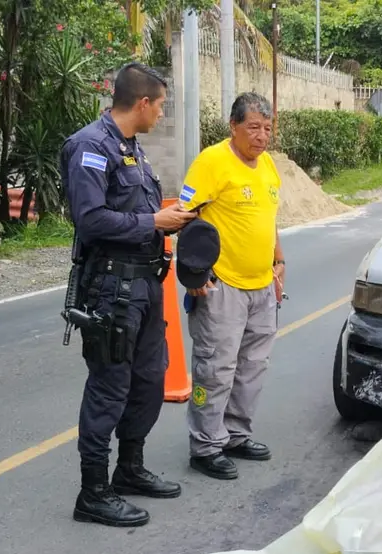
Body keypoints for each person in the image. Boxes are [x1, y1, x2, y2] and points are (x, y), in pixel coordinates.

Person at [60, 62, 197, 527]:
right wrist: (153, 222)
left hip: (144, 283)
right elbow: (91, 220)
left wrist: (169, 219)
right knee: (109, 386)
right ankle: (93, 492)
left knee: (150, 379)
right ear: (142, 103)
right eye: (159, 105)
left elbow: (134, 210)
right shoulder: (90, 147)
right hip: (111, 288)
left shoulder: (131, 148)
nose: (161, 113)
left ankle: (129, 468)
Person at [177, 92, 285, 480]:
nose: (261, 136)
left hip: (262, 286)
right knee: (215, 368)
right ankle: (206, 445)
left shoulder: (268, 165)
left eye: (267, 128)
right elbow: (184, 216)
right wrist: (194, 274)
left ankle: (236, 435)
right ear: (233, 126)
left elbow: (269, 219)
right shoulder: (212, 162)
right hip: (222, 286)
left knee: (252, 368)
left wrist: (279, 261)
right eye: (253, 127)